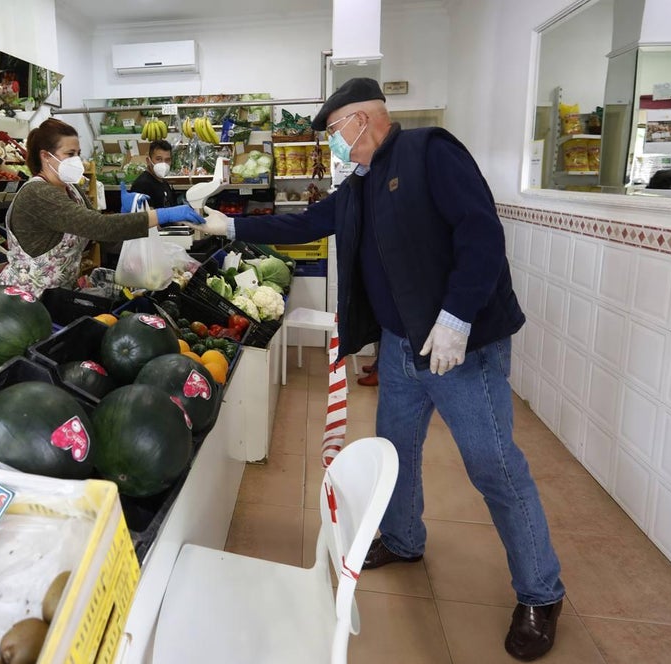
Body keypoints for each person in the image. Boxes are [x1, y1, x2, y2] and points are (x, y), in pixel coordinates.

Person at [191, 78, 566, 661]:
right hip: (399, 347)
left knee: (493, 465)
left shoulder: (430, 153)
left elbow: (481, 233)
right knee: (397, 450)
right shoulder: (361, 184)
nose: (334, 144)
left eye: (336, 130)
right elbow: (305, 224)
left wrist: (457, 316)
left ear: (363, 119)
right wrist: (229, 226)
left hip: (457, 347)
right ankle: (403, 538)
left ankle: (541, 593)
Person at [0, 119, 203, 297]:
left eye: (78, 153)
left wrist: (138, 247)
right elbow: (98, 225)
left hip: (58, 293)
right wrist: (164, 214)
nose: (77, 160)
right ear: (46, 156)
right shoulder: (38, 193)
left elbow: (99, 232)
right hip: (26, 298)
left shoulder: (71, 190)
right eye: (69, 154)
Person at [129, 139, 179, 208]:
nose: (163, 164)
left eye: (167, 160)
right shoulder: (141, 185)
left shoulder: (164, 182)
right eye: (158, 159)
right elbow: (144, 216)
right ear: (148, 161)